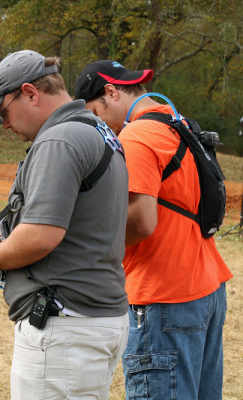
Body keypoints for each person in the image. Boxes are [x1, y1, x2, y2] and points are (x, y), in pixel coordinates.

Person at [0, 50, 130, 399]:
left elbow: (41, 235)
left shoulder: (59, 140)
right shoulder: (99, 130)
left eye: (4, 112)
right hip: (94, 320)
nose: (4, 124)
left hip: (64, 329)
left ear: (30, 93)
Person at [74, 60, 233, 399]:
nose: (98, 125)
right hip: (206, 287)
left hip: (164, 295)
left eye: (95, 114)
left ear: (111, 92)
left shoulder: (137, 135)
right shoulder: (179, 123)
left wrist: (94, 250)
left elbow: (142, 220)